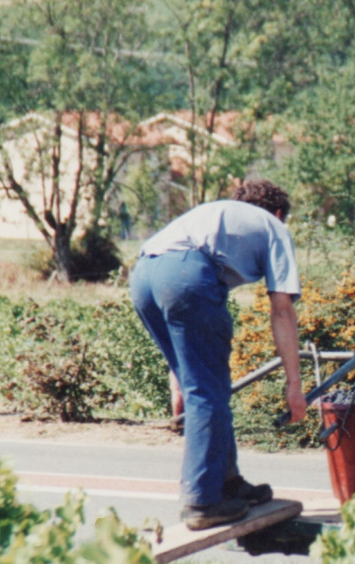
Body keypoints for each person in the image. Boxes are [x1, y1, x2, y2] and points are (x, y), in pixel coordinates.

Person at [130, 180, 308, 530]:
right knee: (208, 394)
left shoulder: (212, 213)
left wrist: (176, 378)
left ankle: (227, 482)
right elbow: (282, 310)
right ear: (276, 213)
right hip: (186, 276)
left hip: (143, 276)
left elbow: (170, 274)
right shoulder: (274, 227)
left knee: (204, 387)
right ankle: (203, 501)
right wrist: (294, 384)